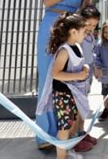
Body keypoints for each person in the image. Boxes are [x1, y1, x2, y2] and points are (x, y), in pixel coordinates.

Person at [35, 0, 98, 150]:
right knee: (48, 78)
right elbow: (47, 3)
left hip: (72, 32)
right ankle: (45, 135)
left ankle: (67, 133)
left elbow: (82, 10)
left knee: (69, 77)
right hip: (52, 27)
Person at [35, 13, 91, 159]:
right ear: (73, 32)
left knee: (71, 125)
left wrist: (84, 67)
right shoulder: (64, 51)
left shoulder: (77, 47)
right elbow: (56, 73)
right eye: (84, 31)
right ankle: (61, 156)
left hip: (73, 94)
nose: (86, 34)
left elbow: (77, 64)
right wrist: (78, 76)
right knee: (64, 128)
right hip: (63, 95)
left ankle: (67, 150)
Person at [74, 5, 101, 150]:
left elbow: (92, 54)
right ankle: (75, 138)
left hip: (88, 73)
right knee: (78, 106)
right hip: (79, 75)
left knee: (84, 105)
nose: (91, 27)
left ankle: (82, 132)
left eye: (95, 25)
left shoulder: (90, 35)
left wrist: (95, 68)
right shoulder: (78, 35)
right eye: (89, 24)